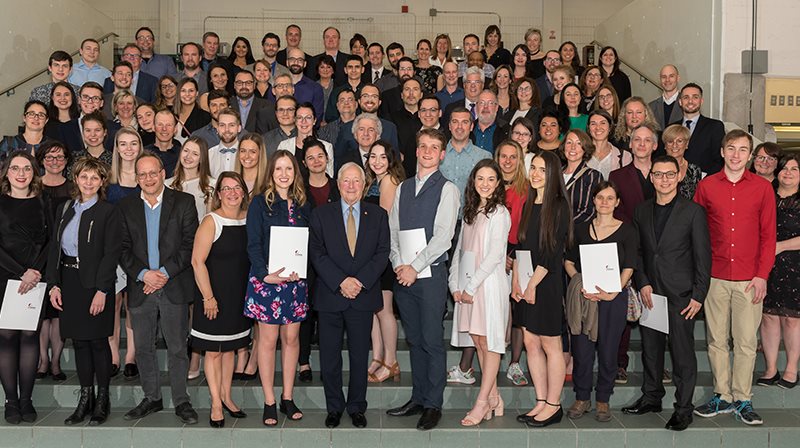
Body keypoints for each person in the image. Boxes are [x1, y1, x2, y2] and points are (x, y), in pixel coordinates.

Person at [693, 130, 777, 426]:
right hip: (715, 276)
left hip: (749, 279)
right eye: (731, 148)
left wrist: (762, 275)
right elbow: (697, 233)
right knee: (716, 340)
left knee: (744, 342)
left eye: (743, 150)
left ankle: (743, 398)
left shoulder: (763, 189)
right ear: (722, 151)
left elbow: (768, 237)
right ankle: (722, 395)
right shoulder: (705, 187)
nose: (736, 155)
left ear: (750, 156)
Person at [621, 155, 711, 431]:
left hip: (682, 295)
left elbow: (703, 256)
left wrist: (698, 295)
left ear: (679, 176)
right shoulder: (641, 211)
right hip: (651, 293)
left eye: (669, 174)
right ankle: (651, 397)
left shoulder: (693, 211)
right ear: (651, 178)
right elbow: (637, 252)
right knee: (651, 350)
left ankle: (684, 409)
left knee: (683, 354)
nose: (664, 180)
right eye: (658, 174)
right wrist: (643, 282)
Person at [118, 152, 200, 424]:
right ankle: (151, 397)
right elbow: (122, 248)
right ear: (136, 177)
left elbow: (189, 244)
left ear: (163, 172)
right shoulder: (125, 206)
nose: (148, 179)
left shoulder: (184, 202)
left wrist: (162, 274)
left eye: (153, 173)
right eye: (142, 174)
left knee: (177, 347)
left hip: (173, 284)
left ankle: (181, 401)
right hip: (141, 288)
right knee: (143, 347)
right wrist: (144, 275)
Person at [386, 129, 459, 431]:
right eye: (423, 146)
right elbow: (393, 231)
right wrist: (398, 263)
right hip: (404, 276)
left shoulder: (448, 189)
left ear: (442, 154)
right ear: (416, 151)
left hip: (429, 276)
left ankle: (433, 404)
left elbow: (444, 238)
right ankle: (418, 397)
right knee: (414, 340)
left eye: (435, 147)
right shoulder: (403, 188)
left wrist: (414, 266)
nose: (428, 151)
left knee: (431, 341)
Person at [309, 162, 390, 429]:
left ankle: (356, 406)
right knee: (330, 356)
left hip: (363, 296)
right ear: (338, 184)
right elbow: (317, 254)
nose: (352, 186)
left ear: (364, 185)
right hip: (331, 295)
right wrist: (341, 281)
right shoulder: (321, 215)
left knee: (358, 356)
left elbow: (382, 253)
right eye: (346, 181)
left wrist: (360, 282)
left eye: (357, 181)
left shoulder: (378, 215)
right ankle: (334, 407)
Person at [47, 156, 121, 426]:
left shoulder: (108, 212)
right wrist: (54, 283)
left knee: (98, 342)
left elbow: (112, 253)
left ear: (102, 182)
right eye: (83, 176)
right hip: (69, 281)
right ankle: (85, 399)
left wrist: (102, 290)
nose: (88, 182)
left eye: (94, 177)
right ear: (75, 179)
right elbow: (55, 248)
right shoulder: (65, 208)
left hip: (96, 283)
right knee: (79, 342)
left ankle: (102, 400)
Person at [245, 150, 310, 426]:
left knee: (292, 340)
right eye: (278, 169)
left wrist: (301, 267)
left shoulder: (303, 204)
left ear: (295, 173)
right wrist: (264, 274)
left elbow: (308, 242)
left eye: (289, 169)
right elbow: (253, 243)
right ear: (270, 172)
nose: (284, 174)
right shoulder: (260, 203)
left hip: (295, 284)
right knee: (268, 341)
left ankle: (287, 396)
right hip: (267, 283)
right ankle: (269, 400)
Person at [565, 181, 637, 423]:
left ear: (617, 202)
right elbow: (568, 260)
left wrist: (613, 291)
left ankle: (603, 399)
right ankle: (582, 397)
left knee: (608, 351)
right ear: (593, 200)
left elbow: (629, 266)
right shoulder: (580, 229)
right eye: (600, 197)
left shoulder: (627, 231)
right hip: (584, 299)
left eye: (610, 198)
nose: (604, 202)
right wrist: (579, 282)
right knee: (582, 351)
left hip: (612, 300)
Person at [512, 150, 572, 428]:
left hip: (545, 283)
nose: (535, 174)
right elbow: (521, 247)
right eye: (533, 168)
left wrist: (532, 285)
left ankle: (554, 404)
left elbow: (551, 252)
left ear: (553, 174)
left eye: (542, 170)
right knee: (529, 342)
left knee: (550, 344)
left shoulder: (559, 205)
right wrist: (516, 282)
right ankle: (540, 401)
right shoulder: (528, 203)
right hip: (526, 282)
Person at [449, 159, 511, 426]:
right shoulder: (470, 212)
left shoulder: (500, 213)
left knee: (491, 342)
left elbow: (496, 255)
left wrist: (472, 286)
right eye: (480, 179)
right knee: (479, 340)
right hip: (468, 287)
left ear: (497, 184)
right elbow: (460, 253)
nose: (485, 184)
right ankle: (495, 396)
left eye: (490, 179)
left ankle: (482, 401)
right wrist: (455, 285)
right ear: (473, 182)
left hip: (488, 286)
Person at [190, 172, 251, 428]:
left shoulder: (249, 220)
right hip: (212, 297)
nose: (232, 193)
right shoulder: (211, 221)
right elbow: (197, 261)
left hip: (238, 298)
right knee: (213, 353)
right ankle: (216, 402)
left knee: (229, 351)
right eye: (226, 188)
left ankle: (226, 396)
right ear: (218, 194)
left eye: (237, 188)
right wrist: (208, 297)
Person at [0, 151, 49, 424]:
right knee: (6, 338)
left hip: (36, 281)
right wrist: (21, 272)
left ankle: (27, 399)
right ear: (7, 173)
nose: (21, 174)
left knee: (30, 338)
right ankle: (10, 400)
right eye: (15, 169)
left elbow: (50, 242)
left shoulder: (45, 202)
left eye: (27, 169)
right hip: (4, 278)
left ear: (34, 173)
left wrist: (34, 274)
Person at [363, 140, 405, 383]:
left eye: (382, 157)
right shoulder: (373, 182)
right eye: (373, 156)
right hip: (372, 253)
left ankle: (391, 361)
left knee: (384, 310)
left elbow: (384, 222)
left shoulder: (389, 181)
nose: (377, 161)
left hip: (383, 254)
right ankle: (378, 358)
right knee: (374, 310)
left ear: (391, 161)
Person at [759, 154, 800, 390]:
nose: (788, 173)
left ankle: (791, 369)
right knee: (768, 317)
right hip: (767, 265)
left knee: (791, 320)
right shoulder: (767, 195)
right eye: (785, 168)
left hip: (795, 265)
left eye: (795, 169)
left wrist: (780, 246)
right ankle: (771, 368)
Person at [105, 128, 142, 380]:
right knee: (113, 302)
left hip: (139, 248)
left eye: (133, 143)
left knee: (133, 303)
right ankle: (113, 354)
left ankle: (131, 354)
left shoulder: (147, 176)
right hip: (112, 248)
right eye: (123, 144)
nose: (128, 148)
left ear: (140, 147)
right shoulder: (108, 179)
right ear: (116, 148)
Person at [494, 140, 529, 386]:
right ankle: (490, 360)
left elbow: (529, 226)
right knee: (494, 309)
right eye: (503, 156)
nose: (507, 161)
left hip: (519, 253)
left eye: (513, 157)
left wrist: (514, 257)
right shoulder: (488, 185)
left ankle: (515, 364)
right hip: (493, 254)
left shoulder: (527, 188)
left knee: (518, 311)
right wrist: (498, 254)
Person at [36, 142, 72, 381]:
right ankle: (42, 360)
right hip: (37, 255)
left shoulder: (73, 188)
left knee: (58, 313)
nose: (55, 161)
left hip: (64, 255)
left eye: (60, 157)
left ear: (67, 161)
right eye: (50, 157)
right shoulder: (33, 186)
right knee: (41, 313)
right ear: (41, 160)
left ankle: (56, 361)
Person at [672, 83, 725, 174]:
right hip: (674, 182)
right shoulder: (671, 128)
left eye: (695, 97)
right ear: (680, 102)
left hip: (705, 183)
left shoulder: (715, 126)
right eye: (686, 97)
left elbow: (720, 160)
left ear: (701, 101)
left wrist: (706, 182)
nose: (690, 101)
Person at [277, 103, 334, 177]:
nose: (304, 121)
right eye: (300, 117)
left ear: (314, 121)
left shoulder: (327, 147)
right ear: (295, 121)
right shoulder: (284, 146)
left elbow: (329, 176)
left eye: (308, 117)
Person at [168, 136, 216, 222]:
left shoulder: (212, 185)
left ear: (202, 158)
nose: (188, 156)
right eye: (186, 151)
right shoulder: (167, 184)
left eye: (195, 154)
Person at [562, 129, 603, 223]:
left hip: (576, 233)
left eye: (578, 143)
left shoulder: (593, 176)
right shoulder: (555, 173)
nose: (573, 147)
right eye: (569, 142)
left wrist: (563, 226)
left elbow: (589, 212)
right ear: (563, 147)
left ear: (585, 148)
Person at [586, 110, 630, 180]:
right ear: (589, 128)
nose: (598, 127)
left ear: (610, 127)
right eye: (593, 124)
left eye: (603, 123)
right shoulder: (580, 154)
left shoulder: (624, 157)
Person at [612, 97, 658, 162]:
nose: (634, 116)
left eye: (638, 112)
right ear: (624, 115)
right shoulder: (615, 140)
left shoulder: (656, 137)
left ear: (646, 114)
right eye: (630, 112)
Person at [662, 124, 702, 199]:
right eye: (670, 141)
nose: (674, 145)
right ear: (665, 145)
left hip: (689, 210)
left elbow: (698, 198)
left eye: (679, 141)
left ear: (686, 144)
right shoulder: (657, 167)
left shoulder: (695, 170)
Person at [145, 109, 182, 178]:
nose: (164, 129)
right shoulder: (144, 153)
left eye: (168, 125)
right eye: (160, 124)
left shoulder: (182, 155)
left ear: (175, 129)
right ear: (153, 127)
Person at [208, 108, 243, 178]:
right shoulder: (209, 154)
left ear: (239, 128)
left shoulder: (246, 155)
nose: (227, 129)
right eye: (222, 125)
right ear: (217, 128)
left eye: (231, 125)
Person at [649, 65, 682, 130]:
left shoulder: (687, 104)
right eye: (664, 77)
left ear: (678, 78)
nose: (667, 80)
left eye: (671, 76)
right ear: (660, 80)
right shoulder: (651, 107)